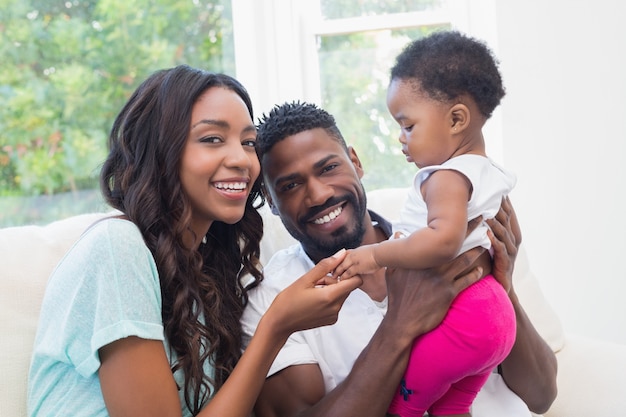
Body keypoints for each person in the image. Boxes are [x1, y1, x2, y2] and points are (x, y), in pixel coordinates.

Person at [26, 65, 363, 417]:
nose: (241, 160)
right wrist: (276, 327)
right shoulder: (117, 247)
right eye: (212, 139)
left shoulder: (202, 270)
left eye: (248, 143)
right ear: (161, 150)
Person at [240, 100, 557, 417]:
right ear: (270, 200)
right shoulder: (273, 300)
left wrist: (504, 287)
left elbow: (542, 395)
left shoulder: (440, 228)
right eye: (290, 185)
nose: (319, 195)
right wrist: (399, 326)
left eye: (328, 168)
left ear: (355, 162)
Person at [331, 31, 517, 416]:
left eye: (408, 125)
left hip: (463, 321)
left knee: (402, 408)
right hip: (495, 318)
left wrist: (374, 255)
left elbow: (444, 241)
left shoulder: (447, 177)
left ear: (456, 119)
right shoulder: (484, 174)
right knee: (453, 407)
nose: (401, 139)